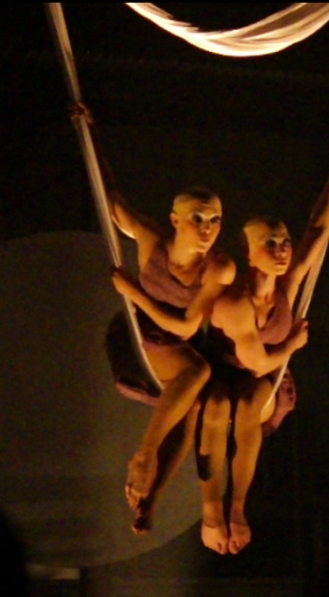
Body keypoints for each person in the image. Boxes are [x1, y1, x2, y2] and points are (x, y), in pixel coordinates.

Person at [85, 120, 236, 532]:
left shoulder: (218, 267)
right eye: (198, 218)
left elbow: (186, 328)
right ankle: (145, 454)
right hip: (134, 340)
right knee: (198, 374)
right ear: (175, 220)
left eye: (215, 220)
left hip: (174, 343)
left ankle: (149, 498)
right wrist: (90, 132)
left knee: (193, 405)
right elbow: (110, 197)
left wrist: (135, 293)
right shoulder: (151, 239)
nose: (207, 229)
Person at [199, 160, 329, 555]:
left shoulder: (287, 286)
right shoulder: (235, 302)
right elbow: (256, 362)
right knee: (217, 406)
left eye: (284, 242)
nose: (283, 250)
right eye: (271, 244)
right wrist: (291, 345)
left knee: (250, 406)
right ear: (250, 254)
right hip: (220, 373)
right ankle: (211, 508)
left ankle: (238, 507)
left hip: (259, 383)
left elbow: (316, 233)